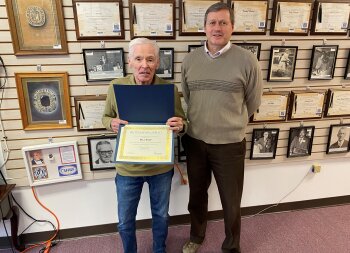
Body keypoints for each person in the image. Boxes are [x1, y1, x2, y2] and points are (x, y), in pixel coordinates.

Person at [181, 3, 263, 253]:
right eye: (212, 23)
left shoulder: (247, 60)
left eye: (223, 23)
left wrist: (229, 123)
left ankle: (231, 246)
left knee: (231, 201)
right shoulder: (191, 60)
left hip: (229, 145)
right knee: (196, 196)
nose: (217, 28)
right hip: (195, 141)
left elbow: (253, 101)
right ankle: (196, 236)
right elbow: (188, 97)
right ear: (204, 27)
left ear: (232, 27)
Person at [102, 38, 186, 253]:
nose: (144, 65)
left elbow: (182, 121)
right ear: (129, 61)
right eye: (138, 59)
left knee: (160, 216)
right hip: (128, 168)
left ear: (158, 63)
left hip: (160, 168)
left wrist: (180, 124)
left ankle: (159, 250)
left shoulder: (169, 89)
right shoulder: (116, 86)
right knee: (125, 221)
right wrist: (110, 123)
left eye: (150, 59)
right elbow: (106, 117)